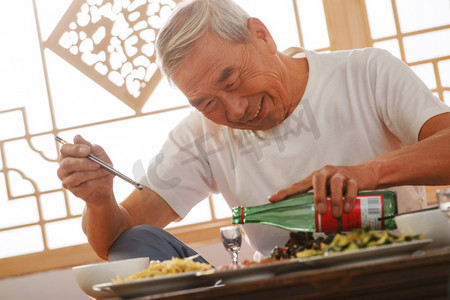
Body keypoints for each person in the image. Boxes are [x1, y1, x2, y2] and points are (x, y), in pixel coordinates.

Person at [57, 0, 450, 263]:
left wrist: (369, 172)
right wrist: (99, 201)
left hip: (399, 267)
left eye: (231, 80)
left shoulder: (364, 72)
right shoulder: (199, 135)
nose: (237, 109)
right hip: (281, 286)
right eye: (207, 102)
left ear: (260, 35)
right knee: (137, 245)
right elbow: (118, 240)